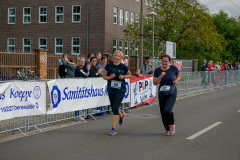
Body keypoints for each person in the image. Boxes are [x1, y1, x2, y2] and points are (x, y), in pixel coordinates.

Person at [103, 50, 131, 135]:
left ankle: (113, 128)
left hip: (120, 89)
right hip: (111, 89)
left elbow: (130, 75)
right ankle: (121, 115)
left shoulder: (123, 66)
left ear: (121, 58)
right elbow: (104, 77)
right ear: (113, 56)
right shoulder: (108, 66)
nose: (117, 57)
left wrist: (123, 76)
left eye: (119, 56)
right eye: (115, 55)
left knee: (115, 106)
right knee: (113, 107)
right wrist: (110, 77)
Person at [153, 54, 181, 136]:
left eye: (166, 61)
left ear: (169, 62)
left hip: (172, 91)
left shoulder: (173, 68)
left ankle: (171, 125)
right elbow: (155, 83)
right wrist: (160, 76)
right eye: (163, 61)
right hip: (162, 92)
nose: (164, 63)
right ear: (161, 61)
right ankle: (167, 128)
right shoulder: (157, 70)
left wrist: (177, 80)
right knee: (162, 112)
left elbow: (178, 75)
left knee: (167, 110)